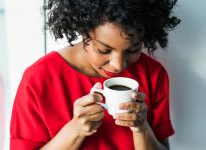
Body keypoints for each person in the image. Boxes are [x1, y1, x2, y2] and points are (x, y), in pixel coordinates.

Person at [10, 0, 180, 149]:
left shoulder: (153, 74)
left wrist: (142, 129)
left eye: (132, 49)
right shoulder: (39, 79)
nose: (118, 65)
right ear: (83, 31)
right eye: (104, 50)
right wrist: (75, 130)